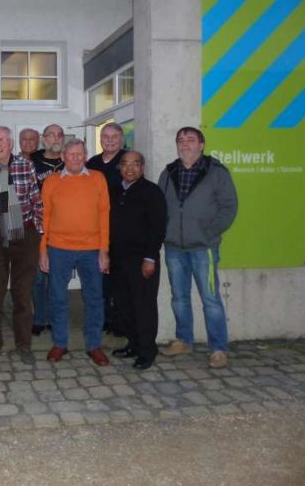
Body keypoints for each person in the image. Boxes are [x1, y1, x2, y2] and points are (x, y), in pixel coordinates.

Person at [158, 126, 237, 369]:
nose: (185, 144)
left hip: (204, 248)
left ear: (201, 145)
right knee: (179, 298)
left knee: (210, 299)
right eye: (180, 140)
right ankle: (184, 340)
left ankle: (218, 349)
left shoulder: (216, 171)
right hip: (174, 248)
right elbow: (160, 207)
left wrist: (208, 233)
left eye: (190, 140)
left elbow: (229, 207)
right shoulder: (169, 172)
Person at [0, 126, 43, 365]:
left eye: (1, 139)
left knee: (22, 294)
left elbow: (36, 201)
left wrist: (39, 234)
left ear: (11, 143)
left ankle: (24, 345)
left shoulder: (26, 166)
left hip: (23, 232)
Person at [40, 139, 110, 366]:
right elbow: (44, 218)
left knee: (94, 299)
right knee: (57, 297)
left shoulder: (98, 178)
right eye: (70, 154)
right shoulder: (51, 181)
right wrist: (43, 251)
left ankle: (94, 345)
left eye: (79, 154)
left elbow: (104, 215)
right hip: (58, 248)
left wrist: (104, 250)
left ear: (86, 155)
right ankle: (60, 343)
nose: (75, 158)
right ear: (62, 157)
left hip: (91, 249)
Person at [109, 151, 166, 370]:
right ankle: (133, 344)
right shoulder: (114, 191)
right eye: (124, 164)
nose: (129, 168)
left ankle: (147, 351)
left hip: (142, 260)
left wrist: (150, 258)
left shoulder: (152, 192)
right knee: (124, 306)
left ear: (142, 168)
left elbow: (158, 228)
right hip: (118, 259)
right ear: (119, 168)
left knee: (143, 307)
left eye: (135, 164)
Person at [87, 123, 128, 336]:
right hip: (95, 229)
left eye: (114, 136)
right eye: (105, 136)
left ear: (121, 138)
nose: (109, 140)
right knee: (99, 278)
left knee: (119, 278)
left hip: (120, 229)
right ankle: (103, 318)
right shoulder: (92, 163)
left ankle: (119, 320)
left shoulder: (127, 161)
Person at [29, 124, 65, 336]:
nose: (55, 138)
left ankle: (54, 318)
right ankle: (40, 318)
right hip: (37, 227)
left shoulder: (71, 161)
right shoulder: (31, 162)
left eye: (59, 134)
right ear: (44, 139)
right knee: (38, 277)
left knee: (57, 277)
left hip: (63, 227)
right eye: (51, 134)